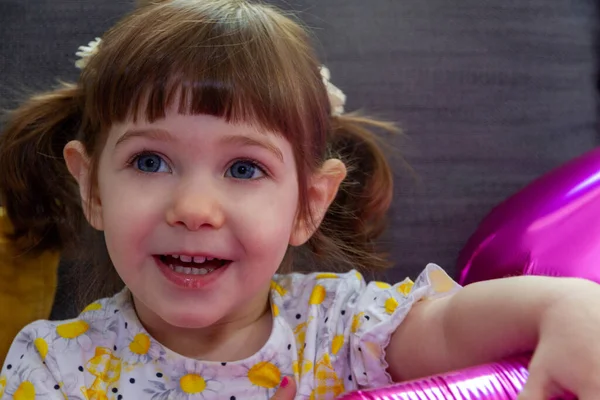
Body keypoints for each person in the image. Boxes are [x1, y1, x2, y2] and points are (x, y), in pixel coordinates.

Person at [1, 1, 600, 399]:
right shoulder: (54, 366)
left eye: (243, 167)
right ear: (93, 187)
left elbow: (450, 326)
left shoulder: (337, 326)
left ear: (309, 204)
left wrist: (565, 306)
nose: (193, 207)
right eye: (150, 161)